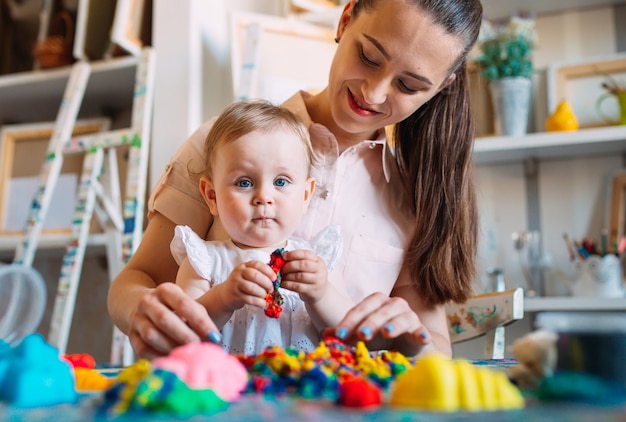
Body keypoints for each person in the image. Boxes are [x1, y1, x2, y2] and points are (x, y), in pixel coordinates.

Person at [108, 0, 482, 360]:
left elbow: (435, 346)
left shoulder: (414, 193)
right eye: (368, 57)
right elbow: (136, 279)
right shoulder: (223, 145)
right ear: (345, 20)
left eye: (409, 85)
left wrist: (413, 344)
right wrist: (142, 310)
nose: (374, 92)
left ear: (441, 86)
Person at [170, 99, 346, 355]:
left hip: (304, 386)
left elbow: (348, 332)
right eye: (244, 183)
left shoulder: (317, 261)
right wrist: (223, 298)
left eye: (281, 181)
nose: (264, 196)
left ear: (306, 195)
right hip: (228, 388)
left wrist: (321, 295)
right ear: (212, 197)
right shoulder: (204, 261)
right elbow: (180, 332)